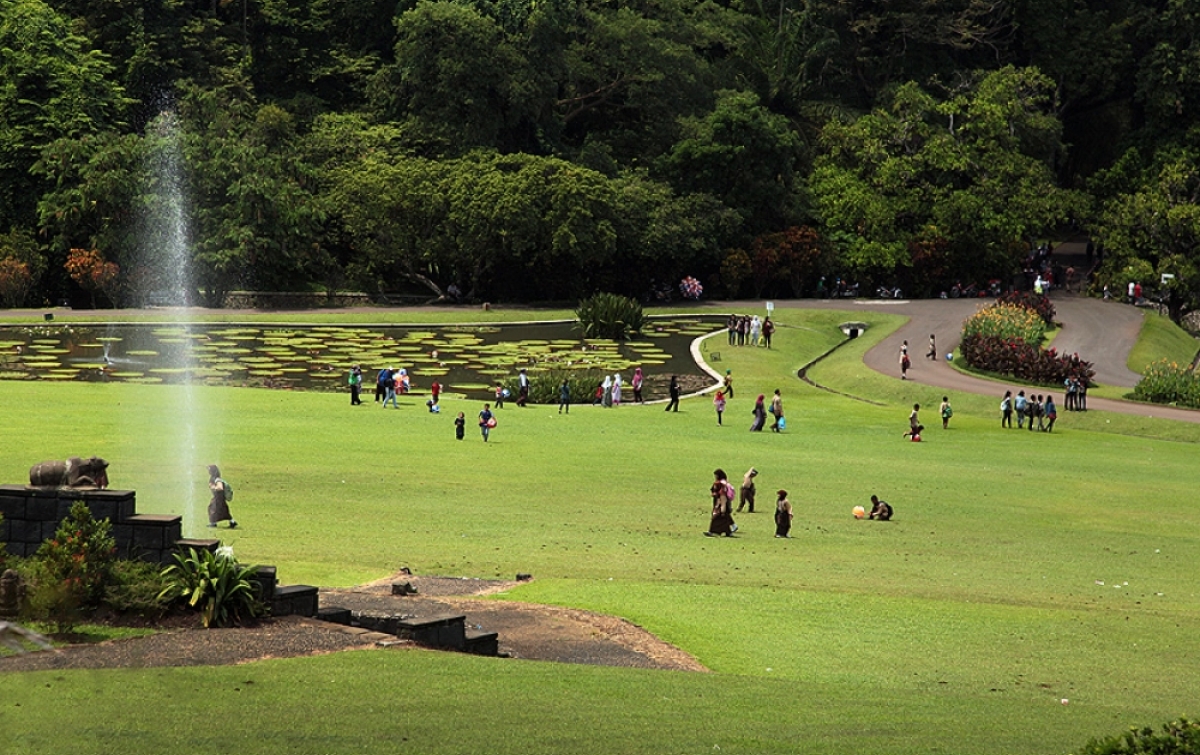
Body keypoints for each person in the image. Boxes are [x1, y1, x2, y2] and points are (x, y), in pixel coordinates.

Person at [705, 469, 736, 537]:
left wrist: (722, 510)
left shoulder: (722, 491)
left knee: (716, 519)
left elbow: (723, 501)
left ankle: (712, 531)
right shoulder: (722, 488)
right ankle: (728, 532)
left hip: (722, 507)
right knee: (724, 521)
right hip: (721, 507)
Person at [206, 464, 237, 529]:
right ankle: (232, 522)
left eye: (209, 470)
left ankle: (213, 523)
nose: (208, 471)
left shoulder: (217, 479)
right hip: (218, 497)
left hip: (219, 497)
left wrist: (213, 487)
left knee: (212, 508)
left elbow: (220, 488)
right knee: (223, 510)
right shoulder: (214, 478)